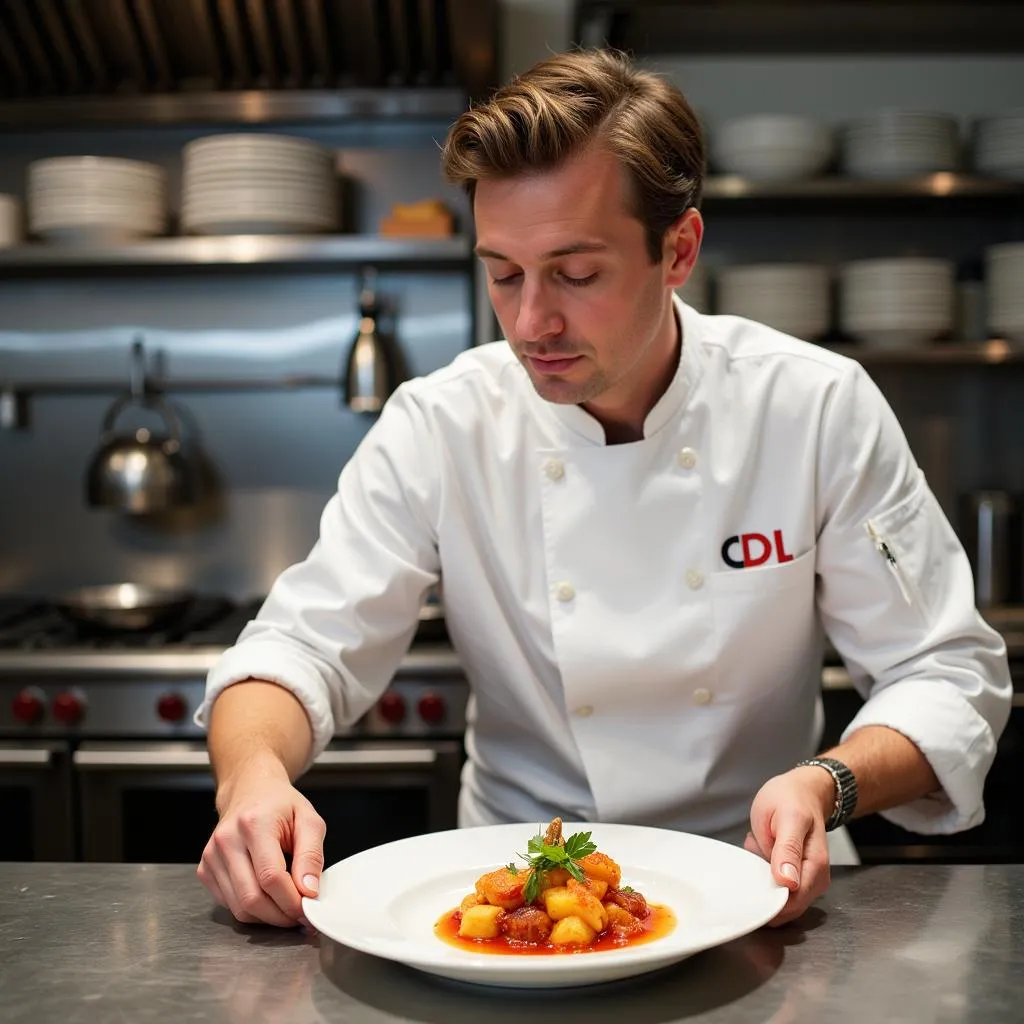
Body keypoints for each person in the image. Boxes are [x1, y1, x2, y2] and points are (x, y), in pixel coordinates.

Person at [194, 49, 1012, 931]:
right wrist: (253, 777)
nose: (531, 321)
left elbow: (946, 673)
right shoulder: (442, 423)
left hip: (761, 883)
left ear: (679, 250)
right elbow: (299, 649)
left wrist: (830, 781)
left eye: (576, 274)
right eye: (502, 272)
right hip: (513, 901)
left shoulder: (812, 407)